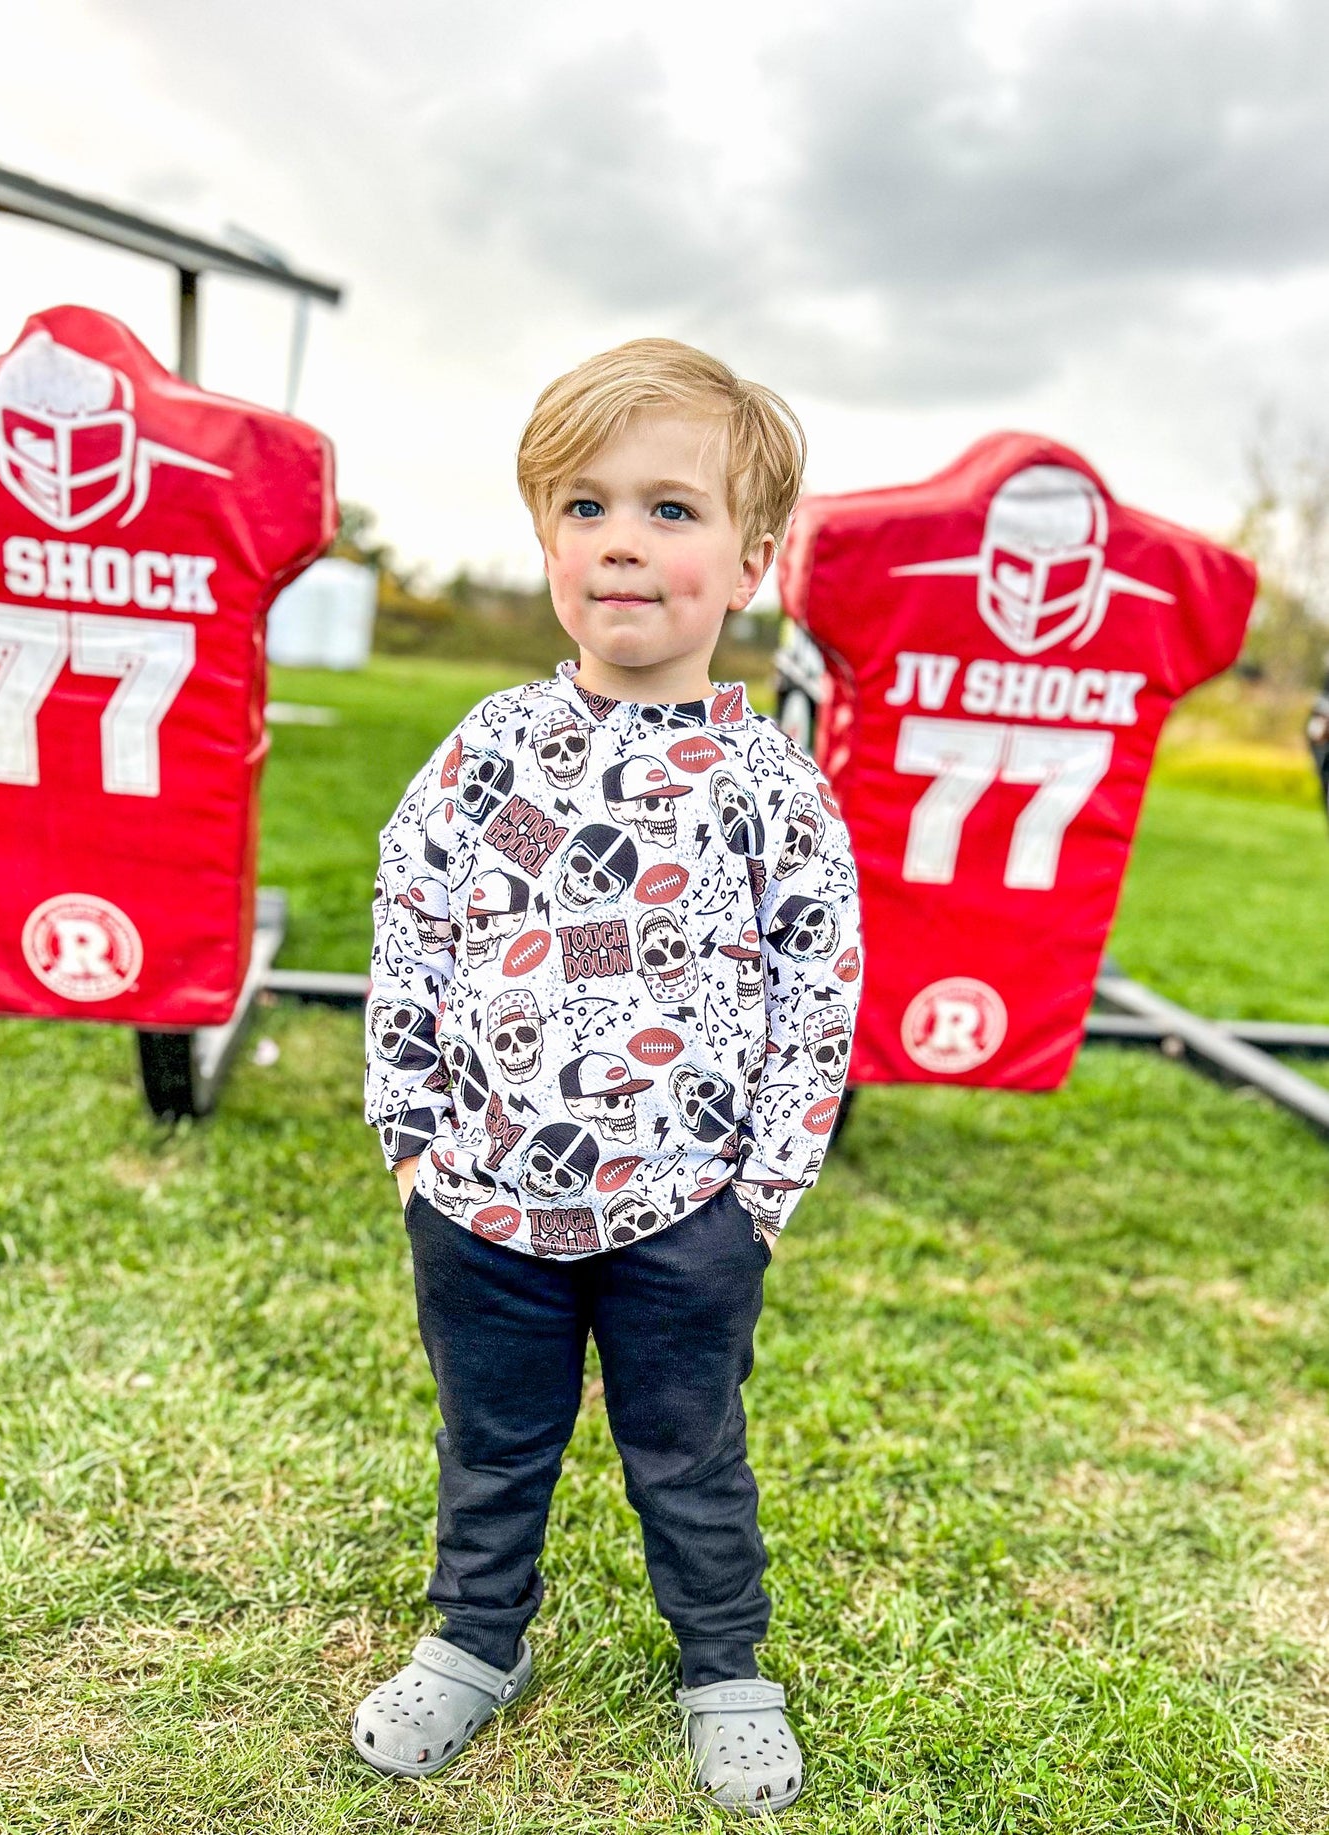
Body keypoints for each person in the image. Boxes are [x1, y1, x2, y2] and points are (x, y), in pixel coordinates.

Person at [355, 339, 862, 1813]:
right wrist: (413, 1147)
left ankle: (721, 1665)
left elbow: (817, 995)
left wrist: (755, 1202)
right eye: (584, 507)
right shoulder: (490, 753)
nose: (622, 540)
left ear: (752, 559)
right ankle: (475, 1641)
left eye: (670, 509)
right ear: (545, 540)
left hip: (683, 1218)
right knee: (491, 1444)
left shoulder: (768, 786)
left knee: (688, 1458)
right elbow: (414, 931)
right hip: (483, 1204)